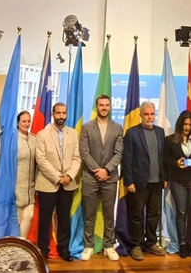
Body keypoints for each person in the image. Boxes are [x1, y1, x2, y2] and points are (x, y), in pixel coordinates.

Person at [79, 95, 123, 261]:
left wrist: (106, 170)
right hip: (90, 177)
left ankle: (109, 246)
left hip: (110, 178)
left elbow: (119, 153)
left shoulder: (118, 128)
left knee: (108, 214)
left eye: (107, 105)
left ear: (110, 107)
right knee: (89, 214)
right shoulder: (87, 127)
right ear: (96, 107)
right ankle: (88, 246)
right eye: (101, 105)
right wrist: (97, 170)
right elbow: (84, 152)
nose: (104, 108)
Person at [35, 103, 81, 261]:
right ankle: (42, 249)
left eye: (64, 113)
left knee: (63, 218)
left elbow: (77, 158)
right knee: (45, 218)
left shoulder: (73, 133)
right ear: (53, 114)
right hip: (48, 183)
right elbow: (40, 160)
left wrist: (69, 176)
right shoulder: (42, 134)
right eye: (58, 113)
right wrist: (57, 177)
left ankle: (64, 248)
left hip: (68, 183)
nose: (61, 116)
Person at [122, 101, 167, 261]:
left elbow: (164, 158)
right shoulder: (132, 133)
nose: (149, 117)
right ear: (141, 115)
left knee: (154, 214)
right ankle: (136, 245)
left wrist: (165, 178)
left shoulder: (160, 132)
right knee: (137, 215)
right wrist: (128, 181)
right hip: (138, 183)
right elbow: (126, 159)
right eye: (146, 114)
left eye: (152, 114)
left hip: (157, 182)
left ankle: (151, 242)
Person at [162, 110, 191, 258]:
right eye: (185, 124)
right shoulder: (170, 140)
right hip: (178, 181)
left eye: (190, 124)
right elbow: (165, 160)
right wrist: (176, 163)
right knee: (181, 213)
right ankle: (182, 244)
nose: (187, 127)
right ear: (180, 124)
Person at [15, 111, 37, 239]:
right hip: (16, 188)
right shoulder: (13, 139)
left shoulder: (34, 139)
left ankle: (21, 248)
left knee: (29, 217)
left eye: (29, 121)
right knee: (15, 222)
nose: (27, 124)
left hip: (31, 189)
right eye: (24, 121)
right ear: (18, 123)